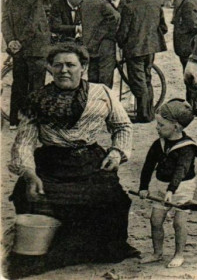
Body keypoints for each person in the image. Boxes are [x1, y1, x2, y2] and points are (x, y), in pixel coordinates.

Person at [7, 43, 138, 277]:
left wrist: (117, 152)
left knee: (113, 200)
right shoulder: (36, 100)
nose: (64, 70)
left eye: (70, 65)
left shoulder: (102, 93)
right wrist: (29, 174)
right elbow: (25, 142)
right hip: (51, 163)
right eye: (57, 65)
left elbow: (122, 126)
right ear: (49, 68)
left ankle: (97, 248)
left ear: (83, 68)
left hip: (91, 161)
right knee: (30, 198)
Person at [138, 99, 197, 268]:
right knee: (155, 220)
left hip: (182, 188)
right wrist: (143, 187)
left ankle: (179, 254)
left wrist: (172, 190)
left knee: (179, 222)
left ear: (176, 126)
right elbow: (148, 166)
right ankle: (157, 253)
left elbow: (180, 171)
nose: (157, 128)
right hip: (161, 186)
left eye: (161, 125)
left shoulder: (187, 148)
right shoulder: (158, 144)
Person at [2, 0, 52, 129]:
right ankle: (32, 123)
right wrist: (22, 41)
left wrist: (12, 41)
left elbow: (5, 21)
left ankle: (14, 121)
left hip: (18, 51)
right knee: (37, 87)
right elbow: (33, 24)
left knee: (18, 85)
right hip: (35, 50)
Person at [116, 0, 168, 123]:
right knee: (147, 79)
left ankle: (144, 115)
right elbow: (163, 28)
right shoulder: (155, 5)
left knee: (138, 82)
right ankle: (149, 112)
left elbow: (123, 33)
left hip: (134, 50)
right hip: (151, 49)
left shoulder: (129, 7)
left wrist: (121, 43)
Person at [80, 0, 122, 88]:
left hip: (89, 45)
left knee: (92, 78)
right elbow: (116, 17)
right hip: (104, 45)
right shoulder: (103, 4)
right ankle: (105, 103)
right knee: (105, 79)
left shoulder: (85, 3)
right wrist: (106, 32)